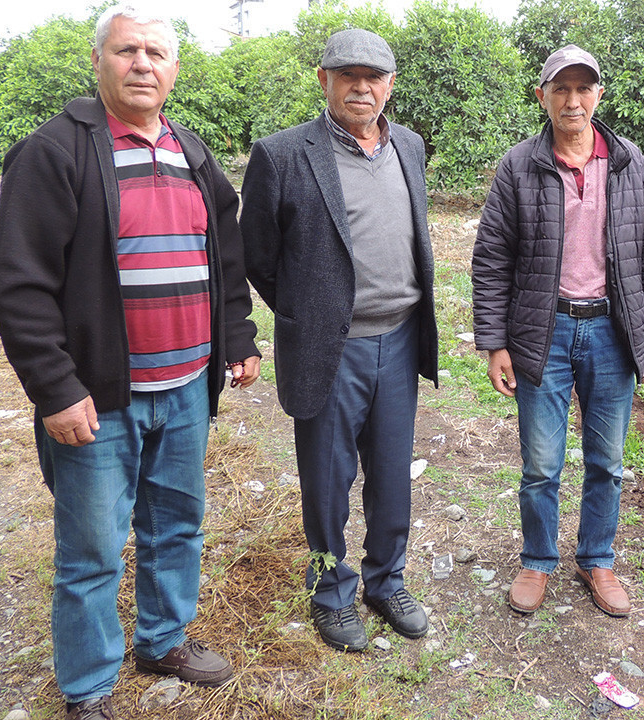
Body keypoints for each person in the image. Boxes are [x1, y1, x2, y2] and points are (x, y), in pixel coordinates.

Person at [0, 5, 261, 718]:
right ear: (99, 61)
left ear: (175, 69)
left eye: (157, 52)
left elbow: (224, 260)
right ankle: (87, 687)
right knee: (92, 550)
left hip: (187, 390)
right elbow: (19, 283)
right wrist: (55, 387)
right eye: (127, 50)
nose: (144, 63)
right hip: (100, 397)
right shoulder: (56, 151)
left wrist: (237, 338)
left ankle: (163, 637)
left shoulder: (192, 152)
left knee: (177, 524)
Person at [239, 28, 438, 653]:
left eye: (374, 76)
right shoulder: (282, 155)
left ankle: (386, 580)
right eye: (347, 74)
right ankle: (331, 589)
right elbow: (260, 258)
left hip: (401, 339)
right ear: (324, 80)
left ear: (390, 86)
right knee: (327, 479)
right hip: (332, 347)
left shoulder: (408, 144)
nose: (361, 86)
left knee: (391, 474)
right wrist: (310, 314)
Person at [472, 45, 644, 618]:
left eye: (584, 89)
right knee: (541, 463)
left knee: (606, 461)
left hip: (612, 331)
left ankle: (596, 558)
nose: (573, 99)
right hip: (544, 332)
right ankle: (537, 559)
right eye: (561, 89)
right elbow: (490, 258)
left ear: (598, 97)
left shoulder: (630, 163)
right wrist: (495, 342)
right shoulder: (519, 165)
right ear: (543, 97)